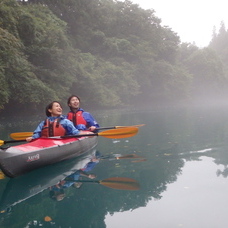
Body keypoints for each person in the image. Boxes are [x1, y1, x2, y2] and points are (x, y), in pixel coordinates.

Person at [26, 101, 92, 142]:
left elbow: (75, 132)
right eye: (57, 106)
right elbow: (38, 133)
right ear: (50, 110)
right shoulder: (44, 122)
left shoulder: (65, 121)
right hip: (46, 143)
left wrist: (87, 134)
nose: (60, 108)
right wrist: (32, 137)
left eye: (60, 107)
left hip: (61, 143)